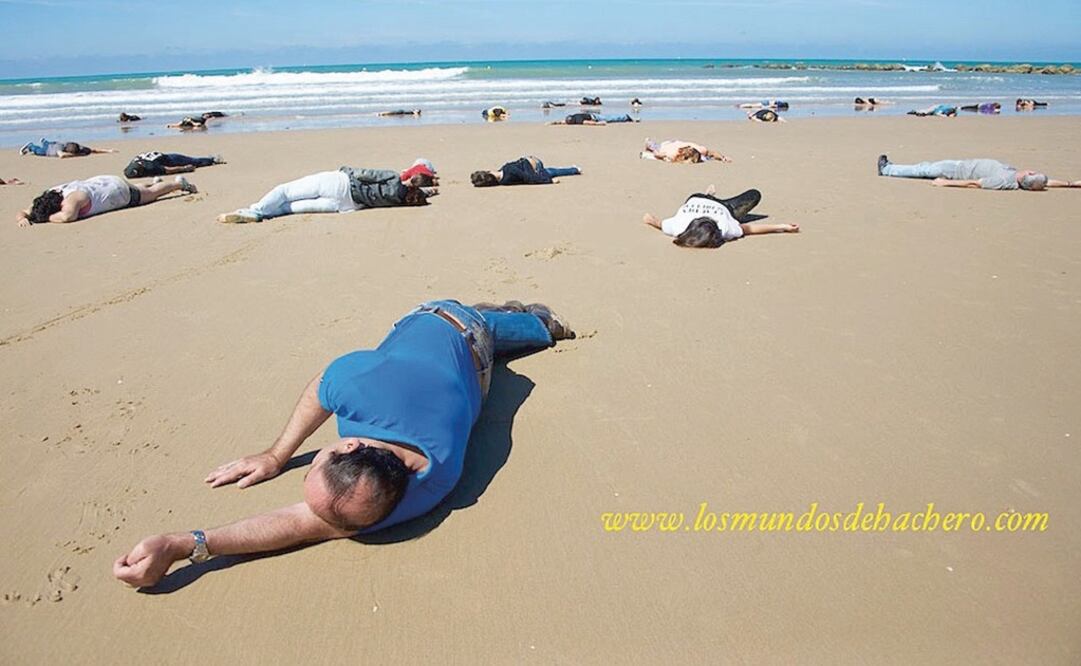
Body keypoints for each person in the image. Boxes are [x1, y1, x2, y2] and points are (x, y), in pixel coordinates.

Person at [113, 298, 575, 589]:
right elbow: (322, 391)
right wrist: (275, 457)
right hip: (451, 341)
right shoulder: (422, 475)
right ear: (352, 447)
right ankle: (522, 319)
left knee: (522, 329)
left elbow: (300, 524)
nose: (317, 516)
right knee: (503, 332)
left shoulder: (419, 485)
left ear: (350, 444)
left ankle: (527, 321)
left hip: (458, 338)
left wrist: (187, 544)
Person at [216, 166, 434, 224]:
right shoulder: (401, 201)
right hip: (345, 206)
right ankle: (265, 214)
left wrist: (344, 170)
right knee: (290, 208)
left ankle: (255, 211)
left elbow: (365, 174)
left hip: (339, 183)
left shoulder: (394, 178)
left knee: (285, 191)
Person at [643, 187, 799, 249]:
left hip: (717, 205)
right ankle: (709, 194)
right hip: (697, 198)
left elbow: (657, 222)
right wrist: (782, 227)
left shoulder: (678, 227)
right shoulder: (679, 227)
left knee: (754, 195)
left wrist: (782, 227)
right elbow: (750, 229)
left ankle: (710, 195)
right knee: (754, 195)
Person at [15, 175, 196, 227]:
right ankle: (154, 181)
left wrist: (46, 219)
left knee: (150, 194)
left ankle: (178, 184)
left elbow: (68, 217)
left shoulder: (71, 201)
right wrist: (23, 217)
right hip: (103, 182)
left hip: (117, 192)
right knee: (138, 189)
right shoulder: (51, 193)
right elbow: (26, 210)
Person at [877, 155, 1079, 190]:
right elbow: (1047, 182)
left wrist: (945, 183)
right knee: (925, 167)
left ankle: (887, 169)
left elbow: (975, 183)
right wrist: (1071, 184)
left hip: (957, 171)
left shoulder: (1004, 181)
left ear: (1029, 173)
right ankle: (890, 168)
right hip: (961, 165)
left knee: (924, 169)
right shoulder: (1019, 179)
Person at [470, 156, 580, 187]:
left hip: (530, 168)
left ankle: (574, 169)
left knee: (551, 171)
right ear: (489, 172)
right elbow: (529, 178)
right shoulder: (509, 170)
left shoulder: (503, 181)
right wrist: (549, 181)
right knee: (551, 171)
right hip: (534, 165)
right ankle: (575, 170)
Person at [123, 152, 225, 178]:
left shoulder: (150, 166)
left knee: (194, 161)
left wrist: (184, 168)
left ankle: (213, 160)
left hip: (170, 160)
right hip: (160, 156)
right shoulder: (133, 163)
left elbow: (168, 170)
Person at [641, 139, 731, 163]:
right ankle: (649, 143)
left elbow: (713, 153)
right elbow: (657, 155)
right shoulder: (672, 154)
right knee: (656, 147)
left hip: (678, 143)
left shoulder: (701, 150)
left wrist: (723, 158)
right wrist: (653, 151)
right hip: (668, 145)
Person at [19, 139, 117, 158]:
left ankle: (44, 141)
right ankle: (30, 146)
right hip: (47, 151)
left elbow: (93, 150)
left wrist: (108, 151)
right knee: (38, 151)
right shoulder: (60, 149)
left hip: (52, 144)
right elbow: (62, 156)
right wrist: (76, 155)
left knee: (47, 143)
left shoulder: (78, 147)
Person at [548, 112, 637, 125]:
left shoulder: (578, 120)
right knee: (609, 117)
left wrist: (599, 124)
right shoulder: (573, 117)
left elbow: (588, 122)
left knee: (610, 119)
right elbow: (561, 122)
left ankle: (625, 117)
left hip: (595, 117)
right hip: (591, 115)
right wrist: (552, 123)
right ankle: (625, 117)